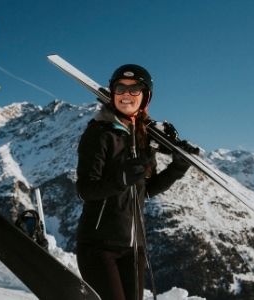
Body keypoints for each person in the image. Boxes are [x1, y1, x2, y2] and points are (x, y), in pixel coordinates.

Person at [75, 64, 199, 300]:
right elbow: (85, 190)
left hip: (134, 248)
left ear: (145, 97)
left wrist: (177, 167)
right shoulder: (100, 133)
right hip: (99, 247)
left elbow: (147, 191)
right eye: (121, 88)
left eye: (135, 90)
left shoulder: (143, 136)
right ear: (112, 93)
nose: (126, 95)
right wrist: (120, 179)